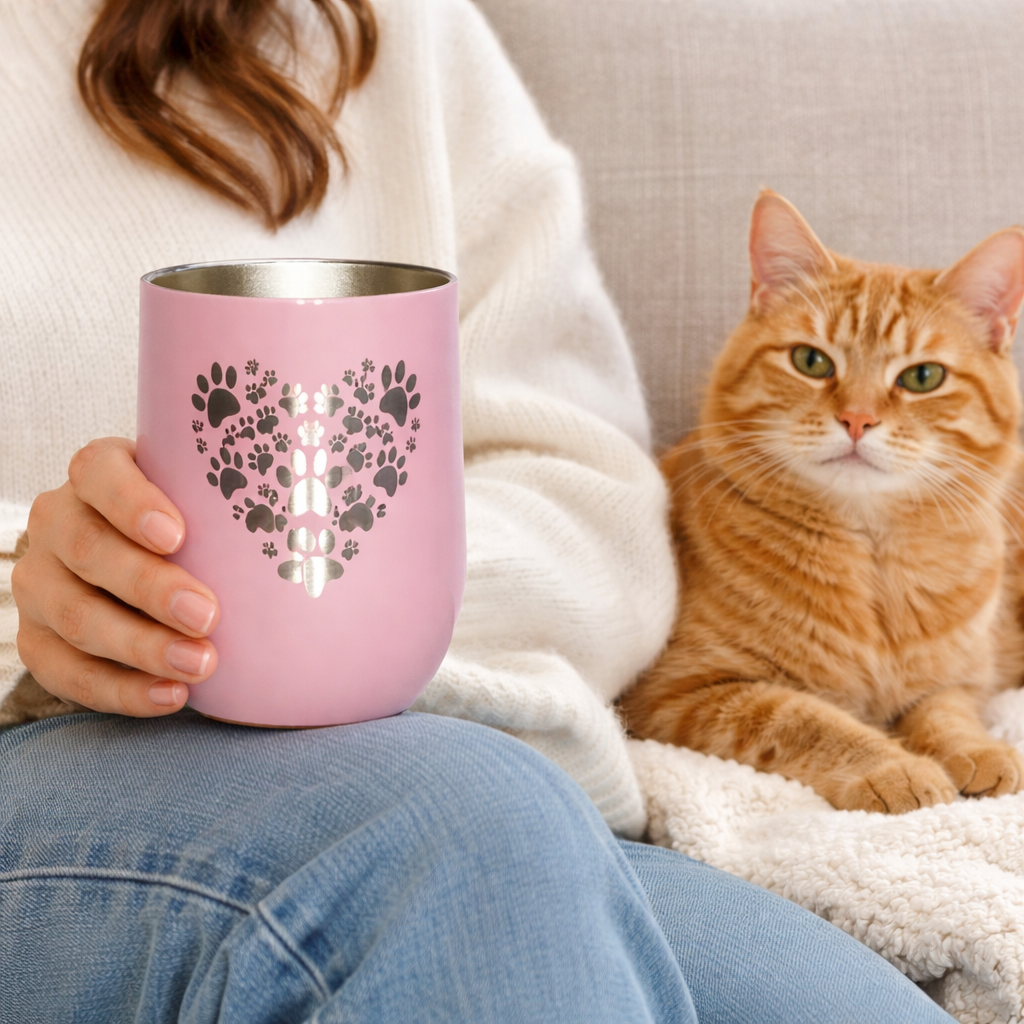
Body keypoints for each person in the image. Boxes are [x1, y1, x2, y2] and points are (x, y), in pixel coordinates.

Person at [0, 0, 955, 1020]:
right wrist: (35, 601)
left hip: (483, 773)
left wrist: (356, 615)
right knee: (465, 825)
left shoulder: (386, 30)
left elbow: (587, 495)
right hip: (93, 765)